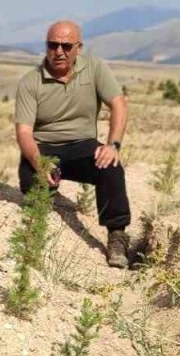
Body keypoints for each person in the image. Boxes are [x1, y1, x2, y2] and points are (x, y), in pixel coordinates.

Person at [13, 20, 131, 267]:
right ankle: (41, 232)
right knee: (32, 182)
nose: (59, 52)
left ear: (78, 47)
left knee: (110, 167)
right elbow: (24, 132)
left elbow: (118, 103)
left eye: (66, 46)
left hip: (82, 144)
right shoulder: (29, 82)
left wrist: (113, 146)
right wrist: (39, 163)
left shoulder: (95, 68)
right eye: (52, 45)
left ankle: (117, 237)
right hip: (44, 146)